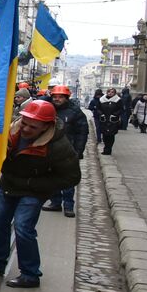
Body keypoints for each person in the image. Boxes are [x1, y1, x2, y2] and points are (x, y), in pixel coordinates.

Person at [0, 99, 81, 288]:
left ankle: (30, 274)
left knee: (23, 228)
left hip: (32, 191)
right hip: (8, 185)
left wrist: (37, 184)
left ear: (46, 126)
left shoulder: (58, 146)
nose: (26, 129)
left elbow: (71, 177)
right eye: (25, 123)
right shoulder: (10, 131)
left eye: (33, 126)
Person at [42, 85, 88, 217]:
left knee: (67, 180)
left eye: (60, 97)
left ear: (66, 98)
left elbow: (82, 132)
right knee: (51, 179)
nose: (57, 99)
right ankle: (55, 202)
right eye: (55, 96)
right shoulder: (47, 109)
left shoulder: (75, 112)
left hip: (68, 152)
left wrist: (79, 151)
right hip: (49, 150)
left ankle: (68, 206)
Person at [97, 88, 123, 155]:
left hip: (113, 120)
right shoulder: (102, 100)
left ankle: (108, 149)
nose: (110, 93)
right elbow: (98, 109)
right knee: (105, 135)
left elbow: (121, 109)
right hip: (104, 120)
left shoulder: (118, 100)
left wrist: (115, 114)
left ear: (114, 93)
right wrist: (101, 114)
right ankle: (106, 148)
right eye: (109, 92)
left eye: (112, 92)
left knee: (111, 135)